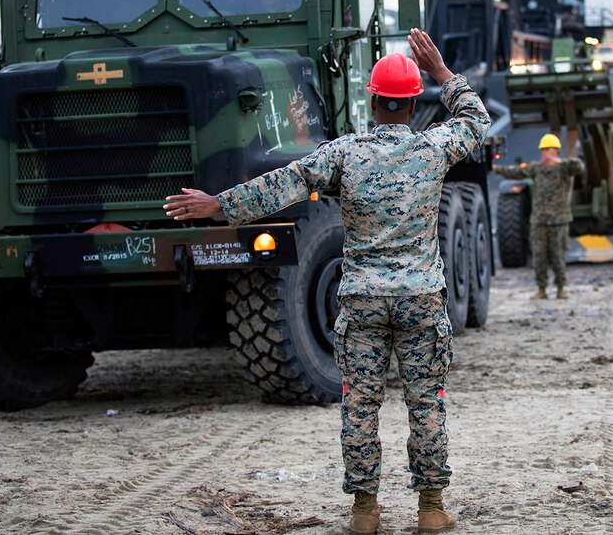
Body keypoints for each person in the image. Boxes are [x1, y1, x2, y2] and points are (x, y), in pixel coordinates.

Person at [162, 29, 490, 535]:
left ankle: (364, 512)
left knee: (360, 405)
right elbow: (475, 120)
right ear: (410, 104)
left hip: (361, 301)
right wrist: (442, 73)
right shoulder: (434, 149)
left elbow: (281, 185)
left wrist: (216, 206)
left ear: (373, 100)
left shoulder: (344, 154)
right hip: (420, 298)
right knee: (425, 401)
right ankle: (430, 508)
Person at [492, 133, 584, 300]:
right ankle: (541, 289)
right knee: (539, 257)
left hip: (559, 221)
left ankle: (560, 289)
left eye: (549, 149)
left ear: (556, 151)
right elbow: (517, 172)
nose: (546, 153)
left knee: (558, 257)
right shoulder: (536, 168)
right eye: (544, 150)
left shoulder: (564, 168)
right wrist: (497, 169)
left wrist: (561, 162)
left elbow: (579, 167)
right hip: (539, 221)